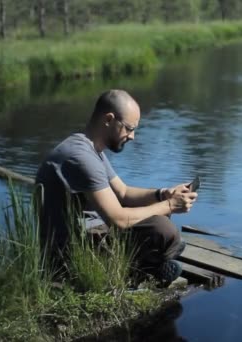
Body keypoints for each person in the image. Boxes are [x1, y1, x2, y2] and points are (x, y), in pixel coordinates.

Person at [35, 89, 197, 286]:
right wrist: (169, 206)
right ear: (109, 119)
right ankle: (143, 266)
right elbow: (118, 219)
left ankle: (152, 263)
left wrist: (163, 194)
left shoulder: (90, 149)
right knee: (162, 228)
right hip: (66, 255)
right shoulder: (81, 158)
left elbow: (123, 193)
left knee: (161, 225)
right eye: (129, 128)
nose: (133, 136)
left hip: (86, 234)